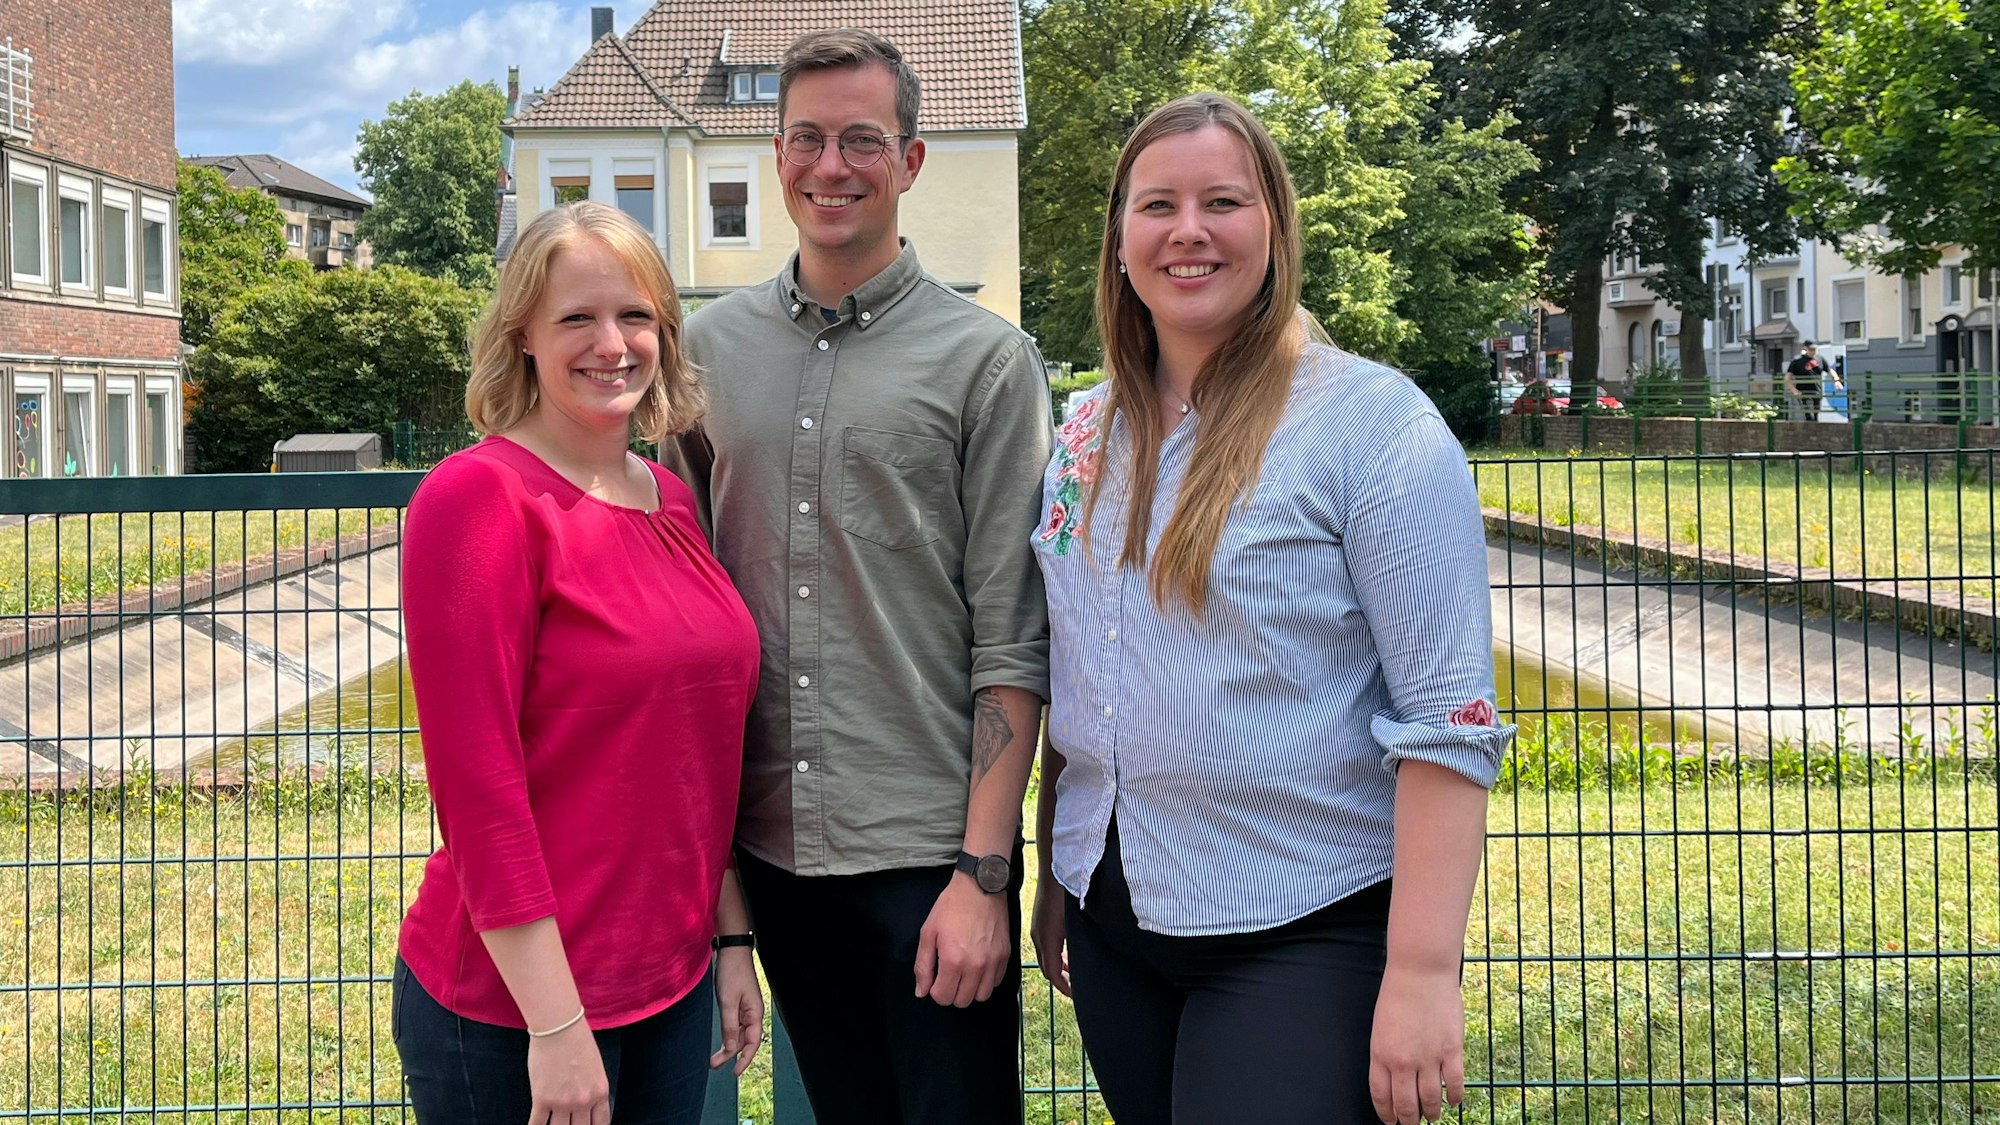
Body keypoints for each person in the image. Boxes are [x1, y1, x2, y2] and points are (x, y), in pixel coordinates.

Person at [1028, 93, 1513, 1125]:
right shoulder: (1081, 435)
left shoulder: (1372, 429)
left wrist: (1424, 971)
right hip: (1113, 920)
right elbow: (1076, 667)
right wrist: (1051, 875)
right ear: (1118, 240)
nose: (1188, 230)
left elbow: (1447, 722)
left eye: (1222, 202)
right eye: (1156, 204)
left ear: (1274, 229)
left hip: (1300, 929)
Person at [661, 28, 1051, 1125]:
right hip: (771, 847)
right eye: (807, 139)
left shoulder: (985, 362)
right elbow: (685, 606)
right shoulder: (702, 356)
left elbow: (1011, 634)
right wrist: (729, 903)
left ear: (911, 161)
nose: (831, 166)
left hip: (926, 850)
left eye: (862, 141)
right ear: (775, 153)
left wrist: (983, 874)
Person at [394, 201, 764, 1125]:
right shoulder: (479, 499)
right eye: (577, 318)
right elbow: (477, 788)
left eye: (636, 315)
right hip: (515, 1011)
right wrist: (556, 1025)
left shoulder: (670, 499)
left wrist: (729, 940)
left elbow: (698, 750)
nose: (613, 343)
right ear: (522, 333)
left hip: (669, 987)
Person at [1785, 341, 1840, 421]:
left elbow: (1830, 370)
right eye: (1811, 349)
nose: (1813, 351)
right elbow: (1787, 377)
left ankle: (1815, 429)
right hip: (1803, 391)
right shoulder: (1797, 361)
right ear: (1806, 349)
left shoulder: (1820, 359)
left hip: (1817, 390)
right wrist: (1794, 390)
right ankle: (1809, 427)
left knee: (1816, 414)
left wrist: (1837, 380)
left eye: (1814, 349)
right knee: (1808, 415)